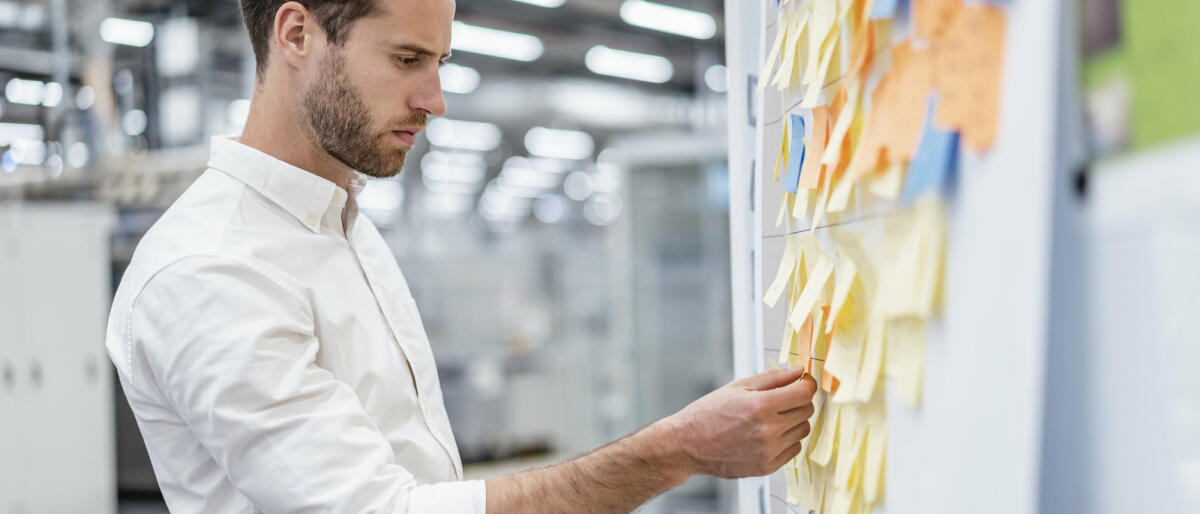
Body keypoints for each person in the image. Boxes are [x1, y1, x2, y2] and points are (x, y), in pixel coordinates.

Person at [104, 0, 818, 512]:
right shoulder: (211, 269)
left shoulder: (341, 221)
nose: (435, 98)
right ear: (297, 34)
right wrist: (674, 452)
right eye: (407, 58)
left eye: (440, 61)